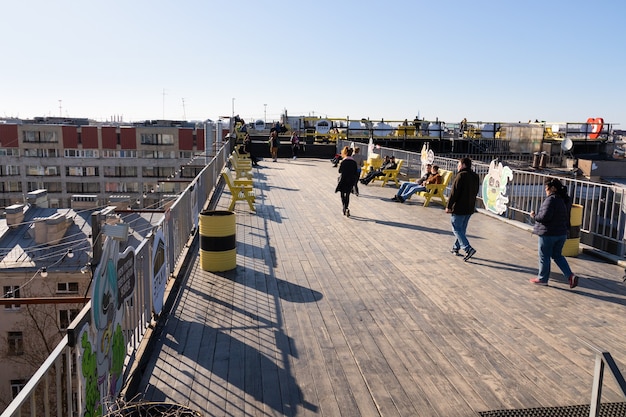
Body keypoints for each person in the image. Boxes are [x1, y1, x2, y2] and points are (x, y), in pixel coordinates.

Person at [529, 177, 578, 288]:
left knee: (544, 256)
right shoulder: (564, 199)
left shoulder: (551, 200)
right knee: (557, 256)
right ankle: (570, 276)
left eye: (546, 188)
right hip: (562, 233)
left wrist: (534, 216)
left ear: (553, 188)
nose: (545, 190)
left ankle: (542, 279)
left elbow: (545, 217)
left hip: (549, 233)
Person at [446, 157, 480, 261]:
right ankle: (456, 248)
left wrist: (448, 206)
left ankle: (467, 248)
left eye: (459, 164)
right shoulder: (475, 176)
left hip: (459, 207)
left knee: (456, 228)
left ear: (464, 165)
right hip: (470, 207)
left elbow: (454, 193)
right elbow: (476, 190)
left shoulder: (461, 176)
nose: (458, 166)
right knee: (462, 229)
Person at [335, 146, 358, 217]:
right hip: (351, 180)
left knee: (342, 194)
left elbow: (339, 171)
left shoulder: (343, 161)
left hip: (343, 179)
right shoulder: (354, 162)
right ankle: (347, 207)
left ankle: (344, 208)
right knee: (348, 194)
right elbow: (355, 172)